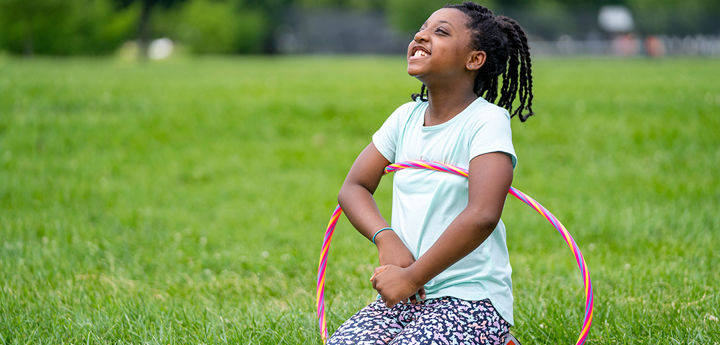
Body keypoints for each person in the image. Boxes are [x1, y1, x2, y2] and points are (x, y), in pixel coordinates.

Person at [329, 1, 534, 344]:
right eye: (421, 29)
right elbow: (354, 187)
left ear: (474, 59)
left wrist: (410, 277)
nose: (421, 36)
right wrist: (386, 237)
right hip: (410, 296)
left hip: (470, 298)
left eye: (440, 32)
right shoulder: (404, 118)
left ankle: (494, 336)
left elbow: (482, 214)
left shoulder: (486, 121)